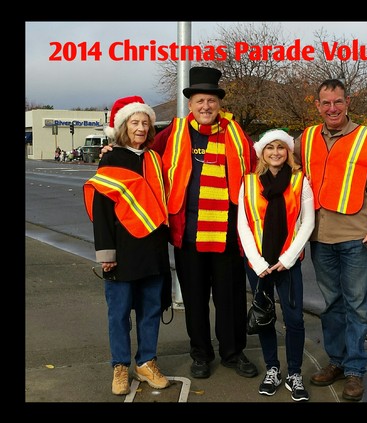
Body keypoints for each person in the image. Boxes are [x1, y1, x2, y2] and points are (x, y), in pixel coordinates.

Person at [102, 67, 258, 380]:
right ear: (190, 105)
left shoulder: (236, 134)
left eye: (211, 101)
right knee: (195, 299)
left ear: (218, 104)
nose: (206, 107)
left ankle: (232, 352)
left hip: (228, 235)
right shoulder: (173, 132)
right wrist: (114, 151)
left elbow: (256, 168)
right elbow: (142, 156)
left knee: (231, 300)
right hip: (188, 235)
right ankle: (200, 354)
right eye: (200, 101)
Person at [293, 79, 367, 401]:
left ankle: (354, 371)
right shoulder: (306, 138)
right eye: (326, 103)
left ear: (347, 102)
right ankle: (336, 361)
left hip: (356, 236)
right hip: (321, 238)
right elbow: (275, 154)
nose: (332, 108)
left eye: (337, 102)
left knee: (357, 307)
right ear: (318, 105)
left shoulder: (366, 137)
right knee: (332, 305)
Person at [83, 96, 171, 396]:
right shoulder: (112, 158)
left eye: (145, 123)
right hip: (122, 249)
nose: (141, 127)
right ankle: (120, 365)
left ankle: (146, 362)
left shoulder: (155, 159)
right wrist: (106, 254)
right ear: (123, 126)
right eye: (135, 122)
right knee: (119, 313)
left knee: (150, 310)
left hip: (152, 248)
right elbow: (103, 211)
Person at [237, 129, 315, 401]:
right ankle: (273, 369)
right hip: (258, 264)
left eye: (280, 147)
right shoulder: (248, 182)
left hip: (287, 263)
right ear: (262, 152)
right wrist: (256, 262)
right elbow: (243, 224)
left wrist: (288, 258)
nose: (275, 152)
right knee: (265, 317)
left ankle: (294, 373)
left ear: (288, 151)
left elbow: (307, 223)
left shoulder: (299, 181)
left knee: (294, 319)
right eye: (270, 148)